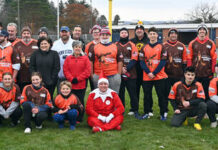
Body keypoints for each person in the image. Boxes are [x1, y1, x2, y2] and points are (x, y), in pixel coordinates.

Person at [139, 27, 168, 120]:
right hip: (147, 76)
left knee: (161, 95)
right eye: (150, 34)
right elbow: (142, 62)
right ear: (148, 35)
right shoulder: (144, 47)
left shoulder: (162, 46)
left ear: (157, 35)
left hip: (159, 76)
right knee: (147, 95)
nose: (152, 35)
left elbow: (163, 62)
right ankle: (147, 112)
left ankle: (163, 113)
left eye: (154, 34)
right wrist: (148, 72)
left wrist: (154, 73)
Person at [187, 23, 217, 100]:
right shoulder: (192, 43)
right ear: (198, 31)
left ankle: (206, 109)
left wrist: (213, 70)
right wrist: (190, 69)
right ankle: (195, 109)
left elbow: (214, 58)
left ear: (206, 32)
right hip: (195, 73)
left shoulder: (211, 43)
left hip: (207, 73)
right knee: (195, 91)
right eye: (200, 29)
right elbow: (189, 58)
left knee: (207, 92)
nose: (202, 31)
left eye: (204, 29)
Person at [63, 40, 91, 122]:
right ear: (73, 48)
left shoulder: (85, 58)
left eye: (79, 47)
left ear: (81, 48)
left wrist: (78, 79)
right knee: (70, 101)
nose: (77, 49)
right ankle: (69, 116)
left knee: (80, 101)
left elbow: (87, 71)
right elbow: (65, 70)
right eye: (76, 47)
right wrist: (71, 79)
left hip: (81, 84)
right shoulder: (68, 58)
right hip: (70, 84)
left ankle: (80, 117)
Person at [89, 28, 123, 93]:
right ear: (100, 36)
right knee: (99, 96)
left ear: (110, 36)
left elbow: (120, 61)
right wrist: (92, 75)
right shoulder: (93, 47)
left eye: (107, 35)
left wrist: (118, 74)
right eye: (103, 35)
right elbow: (91, 61)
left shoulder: (116, 46)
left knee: (113, 95)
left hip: (113, 75)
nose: (105, 37)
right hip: (98, 75)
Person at [116, 28, 140, 118]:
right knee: (120, 93)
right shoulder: (115, 45)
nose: (124, 34)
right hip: (119, 73)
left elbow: (134, 59)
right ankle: (121, 109)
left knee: (133, 93)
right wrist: (121, 68)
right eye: (122, 32)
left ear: (128, 34)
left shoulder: (132, 45)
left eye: (125, 32)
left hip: (131, 73)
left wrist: (126, 68)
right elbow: (114, 58)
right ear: (119, 34)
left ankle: (135, 110)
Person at [163, 28, 187, 113]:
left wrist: (184, 74)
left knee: (179, 94)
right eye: (171, 34)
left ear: (177, 35)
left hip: (178, 75)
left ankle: (180, 109)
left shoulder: (182, 46)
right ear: (169, 35)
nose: (173, 35)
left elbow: (184, 62)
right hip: (166, 75)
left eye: (175, 34)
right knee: (165, 94)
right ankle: (164, 111)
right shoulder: (164, 45)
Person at [131, 22, 149, 114]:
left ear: (143, 31)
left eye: (141, 29)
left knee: (147, 90)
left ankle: (149, 109)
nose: (139, 31)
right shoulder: (132, 41)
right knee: (135, 90)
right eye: (137, 29)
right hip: (134, 69)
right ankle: (134, 109)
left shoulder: (148, 41)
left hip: (145, 68)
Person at [13, 26, 38, 91]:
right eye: (24, 33)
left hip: (33, 74)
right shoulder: (16, 44)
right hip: (21, 75)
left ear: (30, 34)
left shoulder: (36, 43)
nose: (26, 35)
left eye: (28, 33)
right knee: (22, 94)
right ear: (21, 34)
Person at [52, 26, 74, 92]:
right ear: (60, 33)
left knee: (72, 94)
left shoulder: (74, 42)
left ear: (69, 33)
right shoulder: (55, 44)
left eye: (66, 32)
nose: (64, 33)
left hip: (72, 75)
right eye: (62, 32)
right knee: (61, 93)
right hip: (60, 75)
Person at [85, 24, 102, 91]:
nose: (96, 34)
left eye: (97, 32)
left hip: (103, 70)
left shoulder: (104, 43)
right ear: (92, 34)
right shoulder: (88, 45)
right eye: (94, 32)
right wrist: (90, 73)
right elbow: (86, 59)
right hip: (92, 71)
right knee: (94, 90)